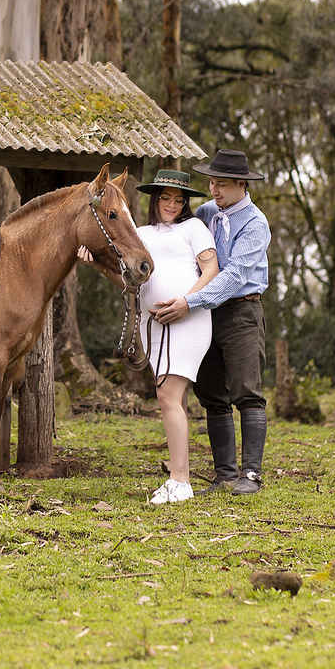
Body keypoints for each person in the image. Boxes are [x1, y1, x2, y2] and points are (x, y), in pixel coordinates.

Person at [80, 169, 219, 504]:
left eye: (179, 200)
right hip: (154, 325)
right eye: (166, 198)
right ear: (155, 199)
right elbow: (130, 284)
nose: (172, 204)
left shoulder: (194, 228)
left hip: (187, 320)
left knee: (166, 394)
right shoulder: (140, 234)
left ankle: (179, 481)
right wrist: (98, 265)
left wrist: (185, 302)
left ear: (185, 204)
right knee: (175, 399)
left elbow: (212, 271)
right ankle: (181, 477)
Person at [152, 150, 270, 495]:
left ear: (242, 185)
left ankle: (251, 475)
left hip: (241, 311)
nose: (213, 189)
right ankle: (224, 475)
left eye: (221, 184)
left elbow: (234, 276)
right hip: (203, 315)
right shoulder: (205, 213)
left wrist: (188, 301)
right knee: (210, 392)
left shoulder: (255, 224)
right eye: (212, 182)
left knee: (246, 390)